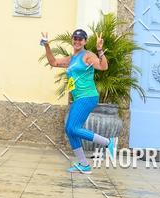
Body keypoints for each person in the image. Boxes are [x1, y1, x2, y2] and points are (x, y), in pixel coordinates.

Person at [41, 28, 117, 173]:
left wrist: (100, 50)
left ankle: (108, 142)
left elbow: (103, 66)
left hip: (87, 96)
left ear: (85, 41)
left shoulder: (87, 56)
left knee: (73, 128)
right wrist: (46, 44)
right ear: (72, 40)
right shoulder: (71, 59)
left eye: (80, 39)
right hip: (78, 98)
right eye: (75, 38)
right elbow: (53, 62)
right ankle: (84, 164)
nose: (77, 41)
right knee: (70, 130)